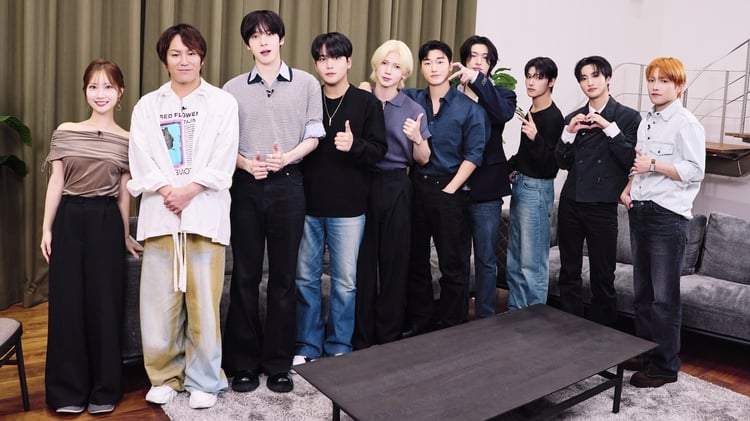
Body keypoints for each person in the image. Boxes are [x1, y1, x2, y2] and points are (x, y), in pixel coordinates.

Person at [127, 23, 239, 409]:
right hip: (161, 216)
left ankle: (204, 379)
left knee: (204, 304)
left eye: (191, 53)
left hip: (204, 215)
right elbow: (140, 155)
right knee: (158, 305)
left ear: (201, 58)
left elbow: (224, 156)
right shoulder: (147, 106)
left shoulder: (222, 103)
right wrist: (167, 191)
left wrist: (189, 190)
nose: (184, 60)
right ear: (165, 60)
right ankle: (163, 375)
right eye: (176, 54)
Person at [222, 10, 324, 394]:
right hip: (246, 186)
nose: (263, 41)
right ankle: (243, 364)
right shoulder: (232, 89)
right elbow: (224, 143)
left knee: (283, 277)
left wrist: (288, 157)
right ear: (248, 44)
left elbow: (314, 135)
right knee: (245, 276)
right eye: (255, 36)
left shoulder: (306, 83)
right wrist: (246, 164)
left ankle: (279, 363)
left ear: (281, 38)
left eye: (269, 34)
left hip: (289, 185)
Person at [41, 58, 141, 415]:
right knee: (67, 304)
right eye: (94, 87)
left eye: (108, 87)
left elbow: (124, 193)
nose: (101, 94)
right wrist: (47, 227)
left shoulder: (128, 140)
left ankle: (105, 389)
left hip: (106, 220)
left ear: (120, 92)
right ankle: (67, 390)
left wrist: (125, 234)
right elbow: (57, 181)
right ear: (85, 91)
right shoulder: (66, 130)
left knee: (104, 304)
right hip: (69, 217)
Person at [294, 32, 386, 364]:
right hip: (308, 206)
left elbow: (379, 150)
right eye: (321, 58)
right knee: (305, 279)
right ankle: (307, 346)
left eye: (335, 57)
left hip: (348, 209)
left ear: (348, 62)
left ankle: (339, 346)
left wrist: (354, 145)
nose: (328, 64)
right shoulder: (307, 99)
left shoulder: (366, 103)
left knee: (345, 283)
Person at [620, 57, 705, 388]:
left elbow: (695, 170)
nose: (655, 86)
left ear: (679, 86)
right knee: (642, 294)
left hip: (667, 217)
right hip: (640, 210)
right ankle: (646, 354)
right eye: (652, 80)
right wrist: (628, 188)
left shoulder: (686, 124)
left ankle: (665, 367)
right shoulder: (647, 121)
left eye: (664, 81)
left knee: (664, 298)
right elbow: (639, 161)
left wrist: (654, 165)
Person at [402, 40, 488, 334]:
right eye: (427, 62)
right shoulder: (412, 99)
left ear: (450, 65)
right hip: (416, 186)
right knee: (416, 262)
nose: (433, 67)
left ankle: (452, 327)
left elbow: (474, 155)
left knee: (453, 263)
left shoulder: (469, 108)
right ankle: (420, 322)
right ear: (421, 67)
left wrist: (451, 189)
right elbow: (379, 92)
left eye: (440, 61)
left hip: (450, 189)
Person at [352, 40, 431, 349]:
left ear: (405, 73)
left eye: (396, 66)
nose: (388, 71)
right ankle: (361, 338)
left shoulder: (413, 108)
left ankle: (388, 337)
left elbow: (423, 158)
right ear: (375, 66)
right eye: (385, 63)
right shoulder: (360, 100)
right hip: (362, 182)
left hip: (397, 184)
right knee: (363, 263)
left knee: (395, 263)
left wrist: (416, 139)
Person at [555, 56, 640, 325]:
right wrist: (568, 134)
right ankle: (569, 327)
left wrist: (609, 129)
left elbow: (630, 160)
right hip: (571, 202)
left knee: (603, 275)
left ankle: (603, 335)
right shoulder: (573, 117)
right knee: (568, 271)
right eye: (583, 78)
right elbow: (562, 163)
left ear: (608, 78)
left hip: (602, 205)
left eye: (595, 76)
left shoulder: (627, 117)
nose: (589, 82)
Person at [449, 35, 516, 319]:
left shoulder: (502, 95)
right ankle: (457, 315)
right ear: (464, 59)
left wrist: (477, 82)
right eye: (473, 56)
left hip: (486, 189)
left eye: (485, 58)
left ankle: (485, 318)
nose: (478, 61)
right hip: (453, 186)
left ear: (490, 65)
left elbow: (502, 114)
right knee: (458, 258)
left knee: (486, 259)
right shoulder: (450, 95)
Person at [505, 57, 565, 310]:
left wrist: (536, 137)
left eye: (539, 77)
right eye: (529, 76)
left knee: (532, 263)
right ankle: (515, 314)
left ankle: (534, 321)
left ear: (551, 82)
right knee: (515, 260)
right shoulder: (532, 111)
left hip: (537, 190)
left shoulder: (554, 118)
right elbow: (526, 155)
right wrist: (510, 168)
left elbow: (552, 165)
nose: (531, 82)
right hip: (522, 185)